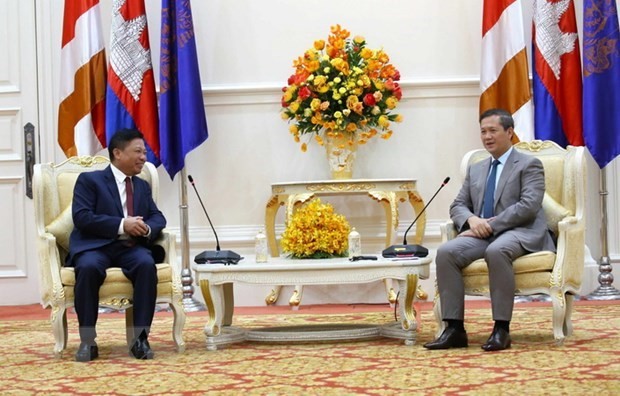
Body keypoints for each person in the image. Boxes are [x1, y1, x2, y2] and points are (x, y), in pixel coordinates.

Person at [424, 108, 555, 352]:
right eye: (483, 132)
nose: (487, 137)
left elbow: (528, 206)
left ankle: (501, 329)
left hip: (521, 230)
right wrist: (473, 221)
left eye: (493, 131)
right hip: (482, 232)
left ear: (509, 132)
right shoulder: (477, 168)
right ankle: (454, 329)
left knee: (497, 251)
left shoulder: (529, 164)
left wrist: (487, 225)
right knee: (446, 252)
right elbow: (458, 205)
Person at [67, 129, 166, 362]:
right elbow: (82, 217)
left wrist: (147, 229)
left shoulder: (141, 185)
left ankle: (140, 340)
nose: (144, 157)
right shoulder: (89, 181)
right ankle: (87, 340)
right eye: (138, 152)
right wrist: (123, 225)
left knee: (145, 265)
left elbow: (157, 217)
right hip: (95, 246)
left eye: (144, 152)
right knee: (89, 268)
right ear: (118, 153)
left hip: (130, 248)